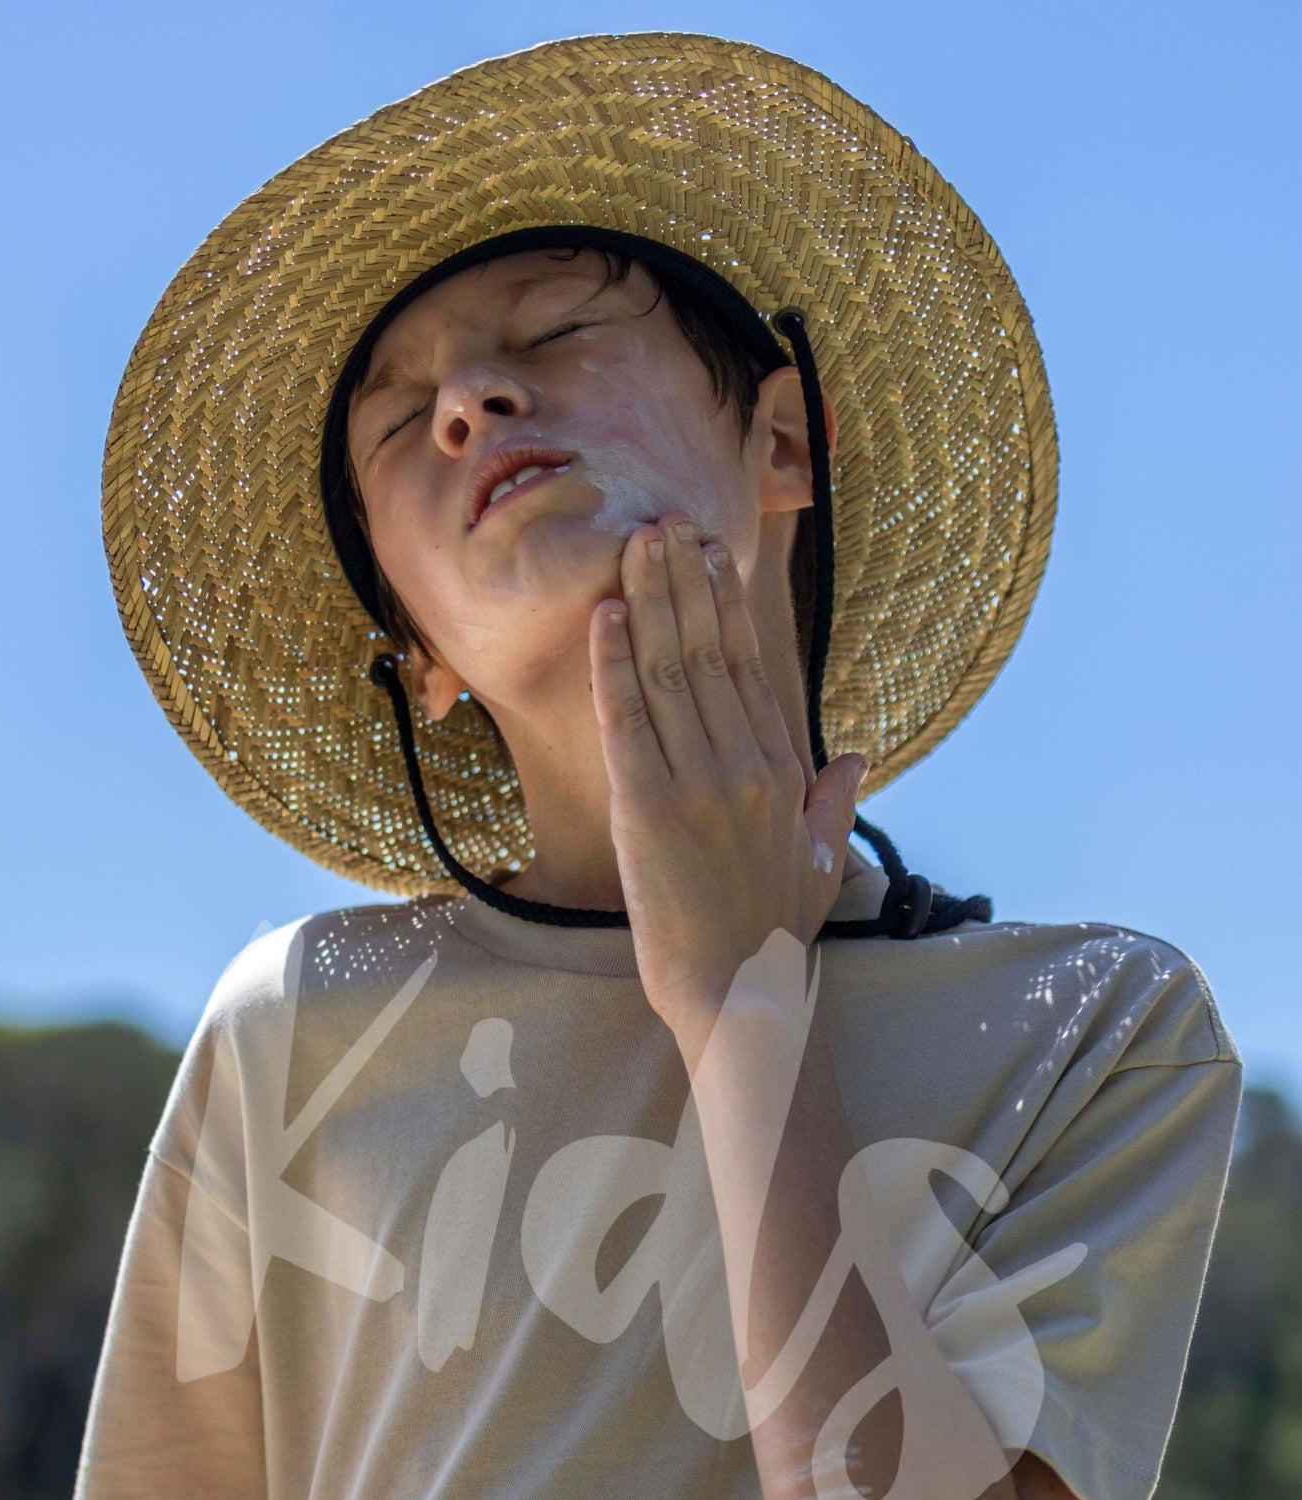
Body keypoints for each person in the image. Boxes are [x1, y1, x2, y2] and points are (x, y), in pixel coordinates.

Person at [76, 33, 1243, 1500]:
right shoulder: (297, 1028)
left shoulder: (1095, 1026)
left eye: (554, 332)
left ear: (782, 439)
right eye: (396, 415)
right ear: (415, 657)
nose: (469, 403)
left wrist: (747, 1003)